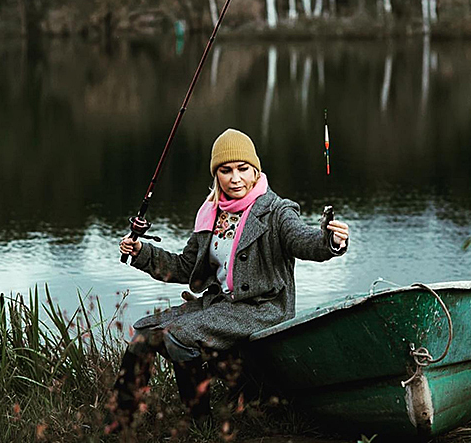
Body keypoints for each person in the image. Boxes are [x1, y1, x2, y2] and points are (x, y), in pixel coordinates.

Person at [110, 128, 349, 431]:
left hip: (263, 308)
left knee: (178, 335)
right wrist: (142, 251)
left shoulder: (277, 211)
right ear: (216, 175)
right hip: (222, 304)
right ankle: (120, 421)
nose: (235, 178)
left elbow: (303, 241)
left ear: (255, 172)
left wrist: (330, 241)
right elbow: (185, 268)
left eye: (242, 169)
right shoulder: (210, 213)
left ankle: (201, 425)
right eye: (226, 170)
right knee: (144, 334)